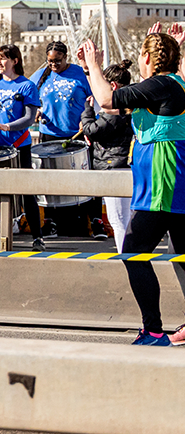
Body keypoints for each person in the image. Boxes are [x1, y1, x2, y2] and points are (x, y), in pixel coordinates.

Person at [79, 26, 185, 346]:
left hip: (161, 184)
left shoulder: (161, 84)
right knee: (181, 256)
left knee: (134, 253)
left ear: (148, 57)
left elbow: (107, 99)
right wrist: (89, 71)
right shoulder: (174, 83)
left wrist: (96, 64)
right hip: (173, 183)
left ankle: (152, 331)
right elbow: (111, 105)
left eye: (141, 54)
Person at [0, 44, 45, 249]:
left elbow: (29, 118)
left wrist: (8, 126)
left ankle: (37, 236)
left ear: (15, 61)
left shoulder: (26, 86)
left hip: (18, 145)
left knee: (26, 191)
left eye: (4, 58)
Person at [81, 61, 135, 252]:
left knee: (118, 219)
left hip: (113, 167)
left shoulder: (113, 112)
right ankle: (129, 254)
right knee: (124, 217)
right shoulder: (129, 108)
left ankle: (126, 256)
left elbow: (92, 129)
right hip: (125, 165)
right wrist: (88, 70)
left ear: (112, 87)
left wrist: (86, 112)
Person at [34, 40, 92, 142]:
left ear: (65, 57)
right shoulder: (39, 76)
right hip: (49, 134)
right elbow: (27, 99)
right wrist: (36, 111)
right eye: (50, 61)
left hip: (77, 133)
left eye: (57, 61)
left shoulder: (81, 74)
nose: (53, 64)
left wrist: (88, 119)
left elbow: (95, 100)